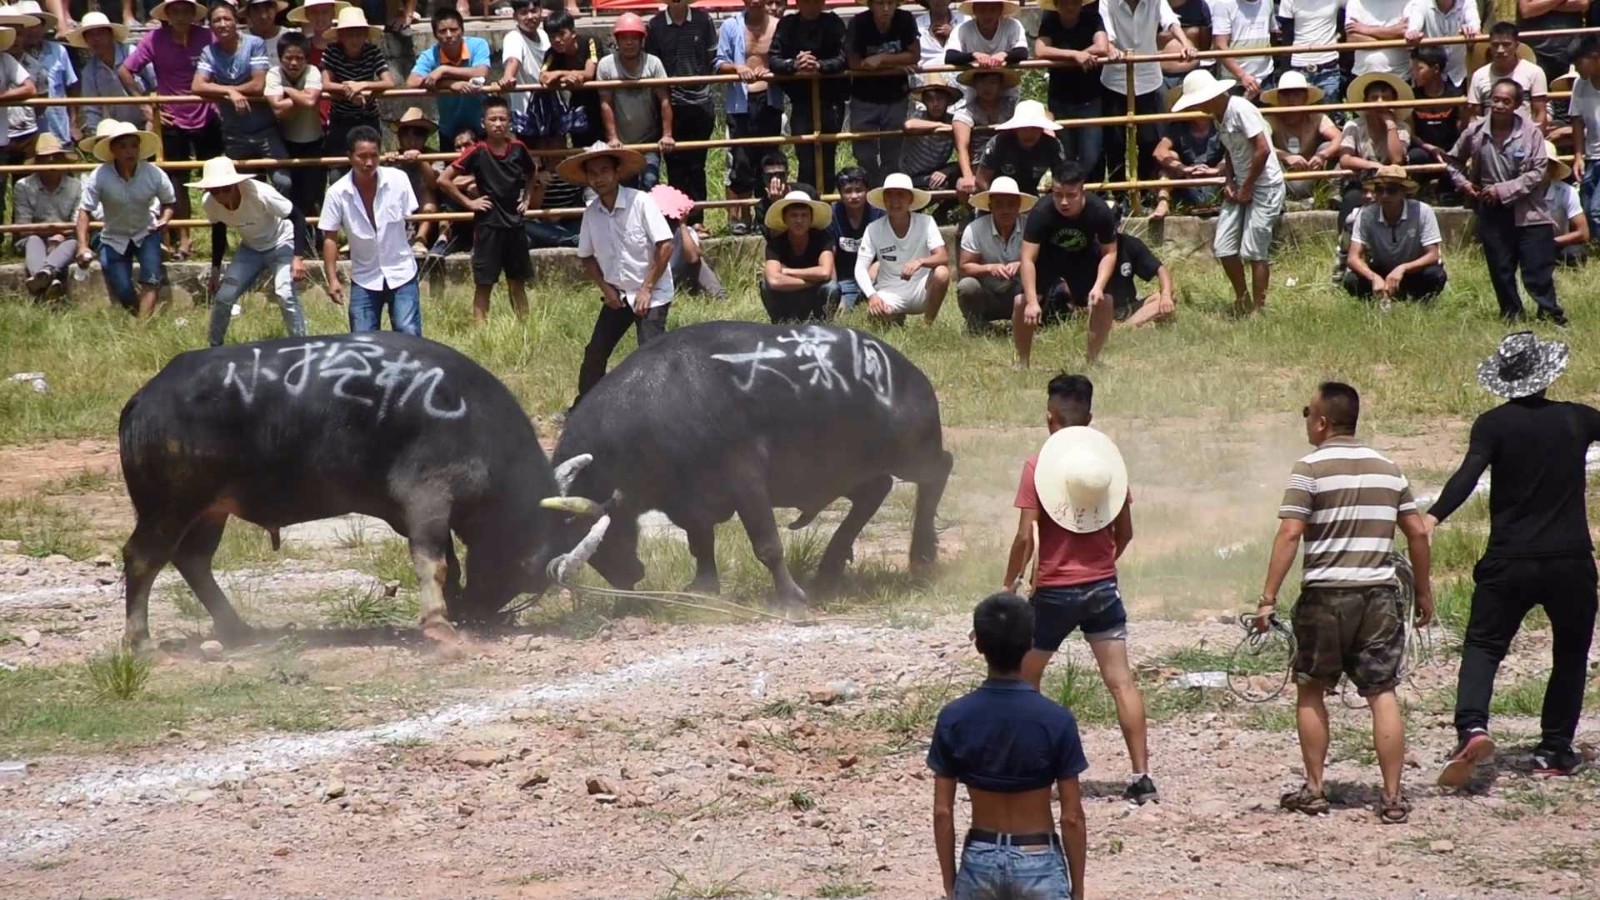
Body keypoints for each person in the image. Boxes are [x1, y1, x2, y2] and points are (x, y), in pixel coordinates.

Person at [1425, 332, 1598, 786]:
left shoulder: (1492, 425)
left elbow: (1467, 475)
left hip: (1509, 559)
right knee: (1570, 654)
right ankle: (1554, 750)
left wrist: (1433, 517)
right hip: (1571, 560)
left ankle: (1472, 729)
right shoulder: (1577, 419)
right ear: (1546, 375)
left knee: (1484, 646)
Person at [1262, 382, 1433, 824]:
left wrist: (1267, 599)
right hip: (1378, 595)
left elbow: (1290, 533)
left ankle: (1315, 789)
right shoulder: (1388, 467)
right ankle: (1393, 797)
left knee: (1311, 688)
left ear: (1321, 422)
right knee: (1382, 692)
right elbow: (1416, 531)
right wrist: (1424, 591)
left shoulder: (1310, 468)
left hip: (1325, 594)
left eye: (1307, 412)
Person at [1001, 373, 1157, 806]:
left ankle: (1032, 772)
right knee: (1121, 682)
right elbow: (1124, 532)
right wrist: (1101, 565)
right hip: (1102, 587)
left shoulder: (1038, 467)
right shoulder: (1106, 467)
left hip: (1052, 590)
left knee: (1025, 680)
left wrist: (1010, 583)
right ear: (1090, 417)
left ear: (1049, 418)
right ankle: (1142, 775)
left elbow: (1024, 537)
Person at [928, 592, 1088, 900]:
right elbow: (1072, 817)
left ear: (979, 646)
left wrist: (951, 884)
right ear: (1030, 643)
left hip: (980, 857)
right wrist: (1078, 891)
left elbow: (942, 813)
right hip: (1038, 855)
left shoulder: (954, 717)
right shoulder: (1056, 719)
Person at [1438, 78, 1565, 324]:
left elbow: (1537, 173)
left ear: (1517, 104)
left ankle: (1549, 314)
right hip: (1491, 209)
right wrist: (1465, 185)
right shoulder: (1474, 132)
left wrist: (1503, 190)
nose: (1499, 105)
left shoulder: (1531, 134)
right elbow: (1452, 161)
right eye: (1495, 99)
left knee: (1537, 268)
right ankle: (1511, 314)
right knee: (1500, 267)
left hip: (1530, 211)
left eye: (1506, 101)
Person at [565, 141, 674, 408]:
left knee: (650, 355)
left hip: (653, 292)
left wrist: (647, 288)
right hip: (618, 294)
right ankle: (584, 407)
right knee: (595, 351)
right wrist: (606, 290)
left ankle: (658, 409)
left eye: (604, 170)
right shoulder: (591, 213)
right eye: (593, 173)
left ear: (616, 173)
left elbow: (666, 245)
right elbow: (586, 257)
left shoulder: (641, 202)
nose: (599, 178)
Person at [1171, 69, 1284, 316]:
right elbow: (1230, 151)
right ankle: (1243, 299)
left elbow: (1263, 150)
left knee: (1255, 249)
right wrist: (1231, 180)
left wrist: (1246, 186)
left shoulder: (1240, 109)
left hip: (1265, 185)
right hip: (1243, 184)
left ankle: (1258, 308)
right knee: (1224, 246)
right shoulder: (1219, 116)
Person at [121, 0, 214, 261]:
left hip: (208, 115)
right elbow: (126, 70)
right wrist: (145, 105)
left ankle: (219, 233)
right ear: (168, 15)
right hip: (172, 119)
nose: (182, 16)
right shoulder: (155, 38)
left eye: (187, 11)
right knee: (176, 182)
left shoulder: (207, 36)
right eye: (176, 11)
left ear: (194, 15)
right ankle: (184, 238)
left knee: (216, 177)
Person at [437, 96, 538, 323]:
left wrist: (527, 198)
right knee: (484, 285)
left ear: (510, 121)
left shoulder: (518, 148)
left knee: (517, 283)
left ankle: (526, 330)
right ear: (483, 122)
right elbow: (444, 180)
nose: (498, 124)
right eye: (493, 119)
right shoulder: (477, 150)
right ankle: (481, 335)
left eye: (503, 119)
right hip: (487, 226)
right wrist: (469, 203)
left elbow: (532, 172)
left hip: (514, 224)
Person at [192, 156, 310, 346]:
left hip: (281, 242)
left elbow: (298, 217)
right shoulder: (210, 203)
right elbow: (219, 231)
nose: (221, 196)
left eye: (225, 189)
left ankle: (301, 344)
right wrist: (215, 269)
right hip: (250, 248)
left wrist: (298, 257)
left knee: (285, 293)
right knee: (224, 297)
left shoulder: (261, 193)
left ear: (236, 184)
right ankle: (214, 347)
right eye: (215, 191)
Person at [319, 125, 422, 335]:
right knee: (362, 339)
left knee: (408, 332)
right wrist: (332, 278)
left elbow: (410, 218)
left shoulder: (398, 180)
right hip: (364, 276)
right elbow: (330, 237)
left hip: (401, 270)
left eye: (374, 156)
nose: (368, 162)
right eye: (362, 156)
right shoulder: (337, 193)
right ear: (350, 156)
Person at [1018, 163, 1116, 367]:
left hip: (1083, 258)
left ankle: (1092, 359)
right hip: (1047, 258)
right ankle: (1023, 362)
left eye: (1071, 195)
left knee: (1105, 301)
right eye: (1057, 194)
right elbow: (1027, 258)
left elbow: (1110, 252)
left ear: (1082, 191)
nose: (1063, 202)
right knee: (1020, 302)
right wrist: (1031, 301)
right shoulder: (1041, 212)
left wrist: (1098, 286)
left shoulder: (1099, 210)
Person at [74, 120, 175, 318]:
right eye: (123, 146)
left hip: (146, 232)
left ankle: (141, 331)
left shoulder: (154, 174)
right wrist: (82, 246)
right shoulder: (100, 176)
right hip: (114, 236)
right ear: (113, 151)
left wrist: (164, 219)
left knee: (151, 279)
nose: (130, 151)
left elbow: (169, 201)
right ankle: (140, 317)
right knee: (123, 288)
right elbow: (84, 211)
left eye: (133, 145)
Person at [192, 2, 290, 196]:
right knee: (247, 190)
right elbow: (197, 85)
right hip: (234, 132)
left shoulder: (254, 43)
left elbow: (258, 84)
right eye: (216, 20)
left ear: (236, 21)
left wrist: (224, 90)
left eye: (227, 19)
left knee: (283, 182)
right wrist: (231, 92)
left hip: (265, 128)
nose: (222, 24)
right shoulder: (209, 51)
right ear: (210, 26)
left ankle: (286, 223)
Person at [1099, 0, 1196, 186]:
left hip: (1148, 79)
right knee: (1115, 143)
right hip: (1115, 79)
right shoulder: (1107, 1)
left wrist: (1185, 43)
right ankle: (1119, 194)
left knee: (1149, 140)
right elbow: (1106, 30)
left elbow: (1170, 21)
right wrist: (1110, 49)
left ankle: (1144, 191)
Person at [716, 0, 784, 234]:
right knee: (742, 161)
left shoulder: (778, 25)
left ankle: (767, 215)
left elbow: (786, 59)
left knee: (770, 159)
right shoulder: (730, 26)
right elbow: (719, 61)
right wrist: (737, 68)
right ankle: (743, 216)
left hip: (770, 100)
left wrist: (774, 70)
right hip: (740, 103)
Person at [647, 0, 716, 226]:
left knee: (697, 164)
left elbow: (711, 57)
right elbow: (653, 63)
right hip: (670, 105)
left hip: (700, 102)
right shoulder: (655, 26)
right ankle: (679, 220)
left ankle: (697, 220)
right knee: (675, 165)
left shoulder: (703, 20)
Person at [770, 0, 849, 193]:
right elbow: (774, 59)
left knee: (827, 157)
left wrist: (820, 66)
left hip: (831, 101)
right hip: (801, 103)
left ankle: (827, 207)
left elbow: (844, 57)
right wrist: (795, 64)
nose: (811, 5)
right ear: (797, 3)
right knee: (805, 159)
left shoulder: (834, 23)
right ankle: (805, 206)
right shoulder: (787, 25)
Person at [1342, 165, 1448, 301]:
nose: (1385, 195)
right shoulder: (1366, 214)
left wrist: (1403, 268)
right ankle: (1378, 299)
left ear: (1404, 192)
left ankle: (1418, 301)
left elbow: (1433, 254)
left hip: (1412, 271)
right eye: (1380, 190)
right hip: (1380, 270)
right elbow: (1353, 258)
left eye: (1391, 190)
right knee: (1352, 280)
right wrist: (1373, 277)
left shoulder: (1423, 211)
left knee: (1435, 275)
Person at [856, 172, 949, 325]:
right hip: (889, 291)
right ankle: (895, 316)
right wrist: (872, 296)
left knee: (942, 273)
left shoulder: (926, 222)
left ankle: (927, 324)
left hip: (921, 289)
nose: (895, 201)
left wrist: (920, 262)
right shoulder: (873, 228)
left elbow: (942, 257)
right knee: (876, 317)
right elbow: (860, 268)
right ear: (884, 199)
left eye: (900, 195)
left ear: (910, 199)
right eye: (890, 195)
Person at [845, 0, 919, 187]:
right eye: (880, 3)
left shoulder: (905, 19)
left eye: (890, 3)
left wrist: (882, 58)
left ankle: (889, 193)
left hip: (896, 96)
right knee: (863, 152)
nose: (886, 9)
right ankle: (872, 190)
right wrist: (897, 62)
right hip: (864, 96)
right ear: (870, 4)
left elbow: (914, 55)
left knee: (892, 153)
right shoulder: (858, 22)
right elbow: (854, 62)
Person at [1034, 0, 1109, 180]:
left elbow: (1102, 47)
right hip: (1060, 98)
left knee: (1090, 154)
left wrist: (1078, 55)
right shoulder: (1050, 19)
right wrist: (1076, 55)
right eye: (1065, 2)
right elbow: (1040, 50)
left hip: (1090, 97)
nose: (1070, 6)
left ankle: (1082, 192)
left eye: (1074, 2)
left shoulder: (1092, 17)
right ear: (1057, 5)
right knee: (1065, 153)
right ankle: (1068, 192)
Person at [597, 12, 671, 191]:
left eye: (634, 38)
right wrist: (612, 137)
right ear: (617, 40)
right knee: (624, 187)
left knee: (650, 182)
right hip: (622, 142)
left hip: (649, 139)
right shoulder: (606, 65)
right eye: (624, 38)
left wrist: (667, 134)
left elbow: (665, 100)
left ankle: (648, 219)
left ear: (641, 41)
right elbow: (605, 103)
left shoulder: (653, 63)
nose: (629, 43)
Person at [1337, 72, 1413, 242]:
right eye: (1375, 97)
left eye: (1386, 98)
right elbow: (1345, 159)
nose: (1380, 102)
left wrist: (1390, 125)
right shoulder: (1354, 126)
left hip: (1391, 181)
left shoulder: (1401, 128)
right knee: (1351, 198)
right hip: (1361, 180)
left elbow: (1397, 159)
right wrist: (1375, 166)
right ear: (1366, 102)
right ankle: (1344, 246)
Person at [406, 6, 491, 146]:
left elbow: (481, 72)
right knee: (450, 166)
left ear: (462, 30)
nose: (449, 35)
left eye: (454, 29)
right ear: (435, 35)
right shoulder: (429, 55)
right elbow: (412, 82)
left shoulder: (478, 45)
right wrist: (450, 84)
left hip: (480, 124)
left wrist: (444, 70)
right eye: (442, 31)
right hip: (449, 127)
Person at [957, 175, 1031, 333]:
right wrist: (989, 268)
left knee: (1037, 279)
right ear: (990, 206)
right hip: (987, 293)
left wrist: (1020, 265)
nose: (1005, 210)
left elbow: (1042, 261)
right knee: (967, 286)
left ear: (1018, 206)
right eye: (999, 204)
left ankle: (1027, 322)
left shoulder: (1030, 227)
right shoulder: (974, 229)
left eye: (1010, 204)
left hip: (1018, 290)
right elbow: (964, 267)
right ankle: (977, 324)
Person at [321, 4, 391, 160]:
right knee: (338, 164)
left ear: (365, 34)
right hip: (340, 117)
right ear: (341, 35)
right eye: (349, 34)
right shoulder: (332, 51)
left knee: (370, 161)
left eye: (359, 34)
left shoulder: (373, 51)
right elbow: (325, 84)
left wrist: (363, 85)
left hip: (368, 116)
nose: (355, 39)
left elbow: (388, 82)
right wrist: (349, 91)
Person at [12, 132, 78, 300]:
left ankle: (43, 276)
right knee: (33, 240)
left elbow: (77, 224)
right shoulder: (23, 186)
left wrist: (59, 237)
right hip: (32, 238)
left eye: (55, 157)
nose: (51, 162)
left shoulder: (76, 186)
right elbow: (23, 228)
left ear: (63, 160)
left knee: (72, 243)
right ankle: (49, 277)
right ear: (38, 162)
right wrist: (50, 237)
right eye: (45, 158)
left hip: (65, 239)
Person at [266, 32, 323, 217]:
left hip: (313, 141)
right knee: (292, 193)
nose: (293, 63)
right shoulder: (274, 73)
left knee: (313, 194)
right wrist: (302, 95)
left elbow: (310, 103)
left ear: (306, 59)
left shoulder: (312, 71)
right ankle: (296, 237)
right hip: (286, 141)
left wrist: (287, 90)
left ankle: (316, 238)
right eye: (288, 58)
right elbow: (277, 109)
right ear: (280, 58)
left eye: (299, 58)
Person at [68, 12, 152, 136]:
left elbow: (156, 82)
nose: (96, 39)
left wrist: (153, 114)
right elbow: (92, 108)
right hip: (118, 133)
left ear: (110, 34)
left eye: (100, 33)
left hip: (149, 123)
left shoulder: (132, 53)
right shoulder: (89, 71)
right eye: (90, 35)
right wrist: (96, 134)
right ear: (86, 40)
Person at [1261, 71, 1340, 202]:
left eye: (1296, 94)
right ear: (1279, 99)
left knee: (1329, 146)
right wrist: (1286, 156)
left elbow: (1339, 137)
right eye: (1286, 95)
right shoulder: (1270, 119)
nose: (1291, 99)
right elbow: (1261, 145)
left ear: (1305, 98)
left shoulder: (1316, 117)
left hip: (1312, 174)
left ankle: (1331, 195)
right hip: (1282, 179)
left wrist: (1323, 155)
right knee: (1264, 156)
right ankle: (1276, 200)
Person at [761, 189, 839, 322]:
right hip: (787, 295)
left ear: (811, 219)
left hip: (814, 296)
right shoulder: (775, 244)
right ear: (785, 218)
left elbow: (825, 272)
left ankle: (822, 323)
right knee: (765, 285)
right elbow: (774, 280)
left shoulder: (823, 238)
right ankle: (781, 323)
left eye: (804, 215)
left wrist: (787, 271)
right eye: (794, 215)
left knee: (832, 288)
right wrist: (811, 281)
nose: (799, 220)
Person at [1152, 86, 1224, 215]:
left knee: (1235, 156)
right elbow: (1159, 151)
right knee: (1171, 156)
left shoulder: (1221, 125)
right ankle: (1163, 203)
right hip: (1186, 178)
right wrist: (1183, 168)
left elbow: (1232, 153)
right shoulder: (1178, 127)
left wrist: (1217, 169)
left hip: (1218, 177)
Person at [973, 99, 1069, 195]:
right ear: (1016, 128)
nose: (1029, 133)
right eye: (1024, 128)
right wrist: (995, 202)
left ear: (1042, 128)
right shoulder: (998, 144)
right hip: (997, 197)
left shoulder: (1052, 145)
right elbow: (982, 180)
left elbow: (1062, 178)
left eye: (1034, 128)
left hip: (1031, 196)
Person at [13, 0, 74, 148]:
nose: (34, 30)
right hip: (26, 136)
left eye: (38, 24)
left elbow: (72, 88)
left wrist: (74, 123)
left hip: (59, 129)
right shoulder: (11, 58)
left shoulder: (59, 51)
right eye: (29, 26)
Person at [943, 0, 1028, 105]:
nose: (987, 15)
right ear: (974, 10)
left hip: (1006, 89)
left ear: (1000, 10)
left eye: (992, 10)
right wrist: (975, 55)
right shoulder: (962, 29)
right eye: (982, 10)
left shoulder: (1013, 25)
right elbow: (950, 56)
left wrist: (1004, 55)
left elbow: (1023, 52)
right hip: (974, 90)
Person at [951, 69, 1018, 202]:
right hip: (979, 166)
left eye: (992, 82)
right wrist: (968, 176)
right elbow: (962, 147)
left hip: (1011, 163)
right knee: (963, 186)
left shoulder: (1011, 106)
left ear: (1000, 85)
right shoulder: (966, 112)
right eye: (982, 82)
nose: (987, 88)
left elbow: (1037, 114)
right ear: (975, 85)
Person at [1408, 46, 1466, 198]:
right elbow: (1411, 133)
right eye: (1412, 68)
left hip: (1449, 151)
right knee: (1415, 156)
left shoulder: (1455, 95)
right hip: (1424, 150)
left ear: (1435, 69)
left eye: (1418, 68)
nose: (1413, 73)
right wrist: (1429, 147)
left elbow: (1462, 130)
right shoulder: (1412, 97)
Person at [651, 183, 726, 299]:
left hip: (675, 279)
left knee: (698, 261)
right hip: (655, 281)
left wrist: (682, 225)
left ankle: (719, 295)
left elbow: (693, 258)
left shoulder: (683, 232)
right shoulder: (648, 232)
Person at [541, 9, 602, 149]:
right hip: (577, 105)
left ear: (573, 32)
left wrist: (559, 74)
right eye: (552, 37)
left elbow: (589, 73)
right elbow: (543, 76)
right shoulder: (551, 53)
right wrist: (566, 75)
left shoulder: (590, 42)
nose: (557, 40)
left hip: (601, 101)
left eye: (562, 34)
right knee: (580, 149)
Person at [1467, 22, 1547, 125]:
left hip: (1525, 136)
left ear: (1516, 45)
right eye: (1495, 45)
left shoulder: (1534, 72)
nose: (1500, 50)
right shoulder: (1479, 75)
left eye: (1506, 44)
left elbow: (1539, 113)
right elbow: (1475, 117)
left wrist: (1534, 139)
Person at [829, 166, 881, 309]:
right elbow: (829, 256)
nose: (854, 196)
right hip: (845, 280)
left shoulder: (879, 214)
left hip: (875, 276)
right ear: (840, 194)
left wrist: (877, 265)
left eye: (859, 190)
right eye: (848, 191)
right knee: (839, 311)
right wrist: (834, 292)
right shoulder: (832, 215)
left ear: (867, 191)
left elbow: (889, 251)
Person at [903, 74, 960, 201]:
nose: (935, 104)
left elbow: (966, 152)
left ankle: (941, 215)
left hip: (936, 172)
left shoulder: (954, 120)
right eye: (930, 99)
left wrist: (947, 170)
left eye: (940, 99)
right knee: (940, 186)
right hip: (910, 176)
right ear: (924, 102)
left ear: (947, 101)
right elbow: (909, 125)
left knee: (964, 177)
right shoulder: (919, 116)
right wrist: (941, 126)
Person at [1277, 0, 1345, 103]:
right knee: (1298, 114)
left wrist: (1339, 35)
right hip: (1298, 67)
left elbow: (1355, 11)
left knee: (1329, 114)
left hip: (1329, 66)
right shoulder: (1288, 1)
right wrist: (1285, 71)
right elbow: (1287, 38)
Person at [1404, 0, 1481, 89]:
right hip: (1428, 78)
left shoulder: (1467, 2)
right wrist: (1413, 33)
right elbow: (1414, 26)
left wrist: (1470, 30)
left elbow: (1475, 28)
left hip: (1457, 76)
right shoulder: (1420, 3)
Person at [1567, 35, 1600, 237]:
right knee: (1587, 207)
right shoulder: (1580, 85)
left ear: (1595, 56)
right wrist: (1578, 155)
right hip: (1591, 155)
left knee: (1597, 210)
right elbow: (1577, 121)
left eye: (1580, 62)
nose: (1577, 68)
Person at [1211, 0, 1275, 100]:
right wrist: (1243, 76)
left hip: (1265, 78)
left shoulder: (1268, 2)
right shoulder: (1223, 4)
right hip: (1234, 83)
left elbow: (1272, 33)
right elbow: (1220, 46)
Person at [1541, 140, 1588, 266]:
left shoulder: (1567, 192)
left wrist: (1552, 242)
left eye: (1542, 163)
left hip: (1558, 243)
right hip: (1528, 244)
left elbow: (1583, 233)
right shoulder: (1521, 191)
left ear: (1552, 167)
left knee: (1575, 254)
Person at [1346, 0, 1412, 83]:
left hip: (1400, 76)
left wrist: (1366, 30)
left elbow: (1406, 31)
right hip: (1362, 76)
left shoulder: (1408, 2)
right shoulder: (1355, 2)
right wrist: (1393, 34)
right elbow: (1352, 38)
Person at [1160, 0, 1212, 91]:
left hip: (1193, 74)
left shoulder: (1200, 7)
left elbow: (1205, 46)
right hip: (1160, 76)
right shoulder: (1154, 6)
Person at [915, 0, 966, 72]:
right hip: (926, 77)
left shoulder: (965, 21)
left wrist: (953, 33)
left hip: (961, 77)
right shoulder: (916, 25)